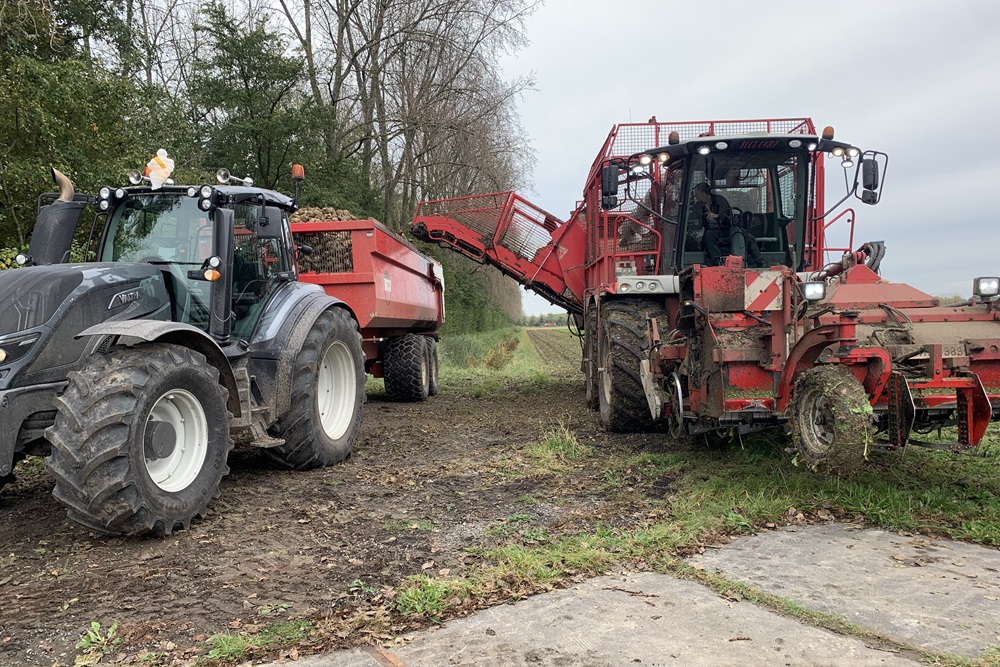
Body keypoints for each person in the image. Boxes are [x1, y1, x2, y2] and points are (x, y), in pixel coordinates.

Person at [691, 182, 764, 267]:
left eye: (696, 193)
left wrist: (716, 216)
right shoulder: (698, 206)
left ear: (703, 193)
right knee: (708, 235)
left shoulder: (720, 201)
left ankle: (760, 261)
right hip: (713, 231)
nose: (695, 196)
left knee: (747, 236)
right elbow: (692, 217)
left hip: (727, 228)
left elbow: (727, 218)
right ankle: (717, 261)